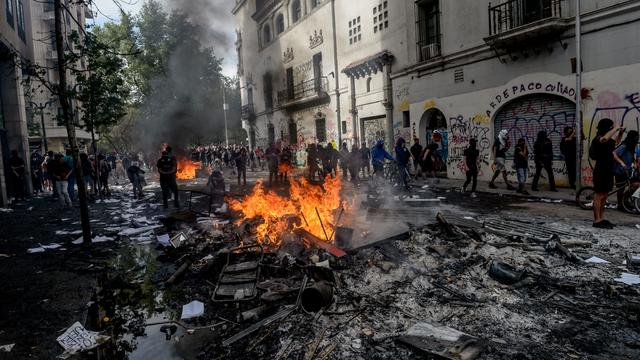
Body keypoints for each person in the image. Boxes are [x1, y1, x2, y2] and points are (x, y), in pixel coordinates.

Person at [589, 118, 624, 228]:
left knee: (604, 195)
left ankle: (602, 218)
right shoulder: (598, 138)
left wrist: (620, 132)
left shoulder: (608, 140)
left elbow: (616, 143)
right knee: (599, 195)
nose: (612, 128)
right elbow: (604, 139)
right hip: (601, 169)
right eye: (611, 127)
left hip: (608, 170)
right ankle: (596, 221)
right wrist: (616, 128)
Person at [613, 130, 639, 211]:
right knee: (620, 188)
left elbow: (631, 157)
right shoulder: (624, 146)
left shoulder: (630, 146)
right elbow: (614, 153)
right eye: (636, 137)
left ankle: (624, 201)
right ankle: (620, 205)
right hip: (620, 170)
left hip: (627, 170)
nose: (637, 139)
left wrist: (634, 163)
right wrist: (621, 163)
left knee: (634, 185)